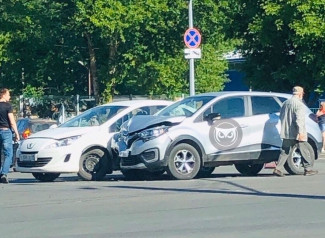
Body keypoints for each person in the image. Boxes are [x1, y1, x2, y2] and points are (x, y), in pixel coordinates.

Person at [273, 86, 318, 177]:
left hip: (286, 131)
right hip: (297, 132)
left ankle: (278, 168)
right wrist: (301, 132)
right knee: (304, 149)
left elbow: (281, 116)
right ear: (301, 94)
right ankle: (308, 169)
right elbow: (299, 119)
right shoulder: (299, 104)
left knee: (285, 150)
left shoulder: (285, 103)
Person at [0, 88, 20, 183]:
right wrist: (17, 133)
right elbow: (12, 122)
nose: (9, 96)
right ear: (3, 94)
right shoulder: (8, 106)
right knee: (8, 154)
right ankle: (4, 173)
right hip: (5, 131)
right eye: (8, 94)